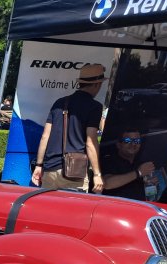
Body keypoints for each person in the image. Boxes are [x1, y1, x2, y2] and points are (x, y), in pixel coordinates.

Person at [32, 63, 106, 193]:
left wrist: (39, 165)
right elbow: (91, 141)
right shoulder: (94, 106)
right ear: (97, 84)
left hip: (50, 169)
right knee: (74, 206)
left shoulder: (59, 102)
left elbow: (45, 136)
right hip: (74, 171)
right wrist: (97, 174)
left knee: (48, 205)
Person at [102, 129, 156, 201]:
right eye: (128, 141)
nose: (133, 144)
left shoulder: (142, 164)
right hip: (115, 205)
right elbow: (106, 184)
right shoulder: (108, 161)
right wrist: (139, 172)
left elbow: (151, 196)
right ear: (119, 144)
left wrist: (152, 185)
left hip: (141, 206)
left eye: (137, 141)